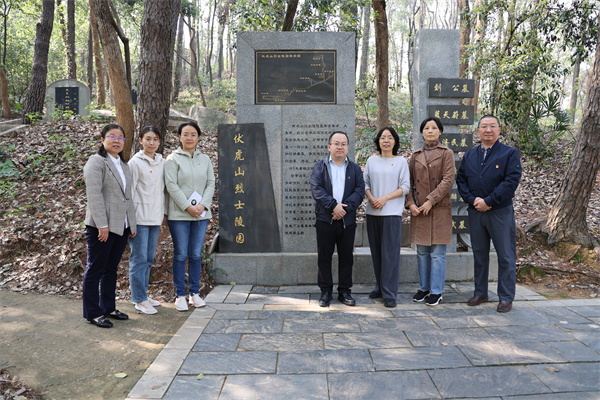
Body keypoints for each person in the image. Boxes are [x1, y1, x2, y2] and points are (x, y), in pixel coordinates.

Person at [456, 115, 522, 313]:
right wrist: (473, 200)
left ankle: (506, 297)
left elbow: (511, 181)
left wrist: (489, 201)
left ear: (499, 130)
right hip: (476, 211)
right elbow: (461, 181)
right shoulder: (470, 155)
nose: (488, 130)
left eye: (492, 126)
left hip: (499, 211)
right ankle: (480, 292)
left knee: (505, 255)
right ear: (478, 131)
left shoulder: (509, 153)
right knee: (479, 253)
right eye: (484, 126)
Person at [82, 123, 137, 328]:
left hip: (121, 226)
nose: (116, 140)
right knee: (96, 268)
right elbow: (94, 195)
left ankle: (108, 307)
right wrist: (102, 225)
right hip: (101, 227)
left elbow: (127, 197)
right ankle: (93, 313)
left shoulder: (124, 165)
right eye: (112, 136)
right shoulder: (96, 162)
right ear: (102, 140)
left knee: (111, 269)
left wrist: (132, 224)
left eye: (120, 137)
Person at [310, 131, 365, 307]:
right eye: (336, 143)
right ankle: (325, 292)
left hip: (347, 221)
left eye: (343, 144)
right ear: (329, 147)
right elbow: (316, 189)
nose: (340, 147)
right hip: (325, 220)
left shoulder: (355, 168)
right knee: (324, 257)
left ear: (348, 147)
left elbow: (360, 190)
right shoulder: (320, 166)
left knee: (346, 257)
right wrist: (333, 206)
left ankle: (345, 291)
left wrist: (344, 209)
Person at [165, 122, 215, 311]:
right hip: (179, 215)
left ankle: (194, 293)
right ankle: (180, 295)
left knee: (195, 254)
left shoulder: (205, 159)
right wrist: (187, 207)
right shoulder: (172, 159)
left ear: (198, 137)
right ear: (179, 137)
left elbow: (210, 183)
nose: (189, 138)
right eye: (185, 134)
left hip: (201, 214)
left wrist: (202, 205)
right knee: (180, 254)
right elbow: (171, 185)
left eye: (193, 134)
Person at [406, 117, 455, 307]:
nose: (430, 131)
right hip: (419, 209)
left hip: (439, 209)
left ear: (440, 131)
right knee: (422, 252)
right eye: (426, 128)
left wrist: (430, 201)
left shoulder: (446, 153)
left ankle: (436, 291)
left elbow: (448, 180)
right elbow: (408, 182)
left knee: (437, 253)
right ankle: (424, 288)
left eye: (434, 128)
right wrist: (411, 203)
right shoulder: (415, 155)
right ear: (422, 132)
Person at [364, 127, 410, 308]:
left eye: (390, 137)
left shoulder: (401, 162)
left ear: (395, 141)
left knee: (390, 255)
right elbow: (365, 183)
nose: (386, 141)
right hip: (372, 212)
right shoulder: (371, 160)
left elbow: (405, 187)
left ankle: (390, 293)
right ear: (378, 141)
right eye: (383, 137)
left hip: (391, 214)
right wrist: (371, 198)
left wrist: (384, 198)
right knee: (377, 254)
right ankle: (380, 287)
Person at [128, 126, 166, 315]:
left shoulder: (162, 162)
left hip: (155, 219)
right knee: (139, 258)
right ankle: (138, 299)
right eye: (148, 139)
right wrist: (130, 221)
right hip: (139, 219)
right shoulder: (135, 163)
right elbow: (128, 192)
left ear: (159, 141)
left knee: (149, 259)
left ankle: (143, 293)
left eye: (155, 139)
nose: (152, 143)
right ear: (140, 140)